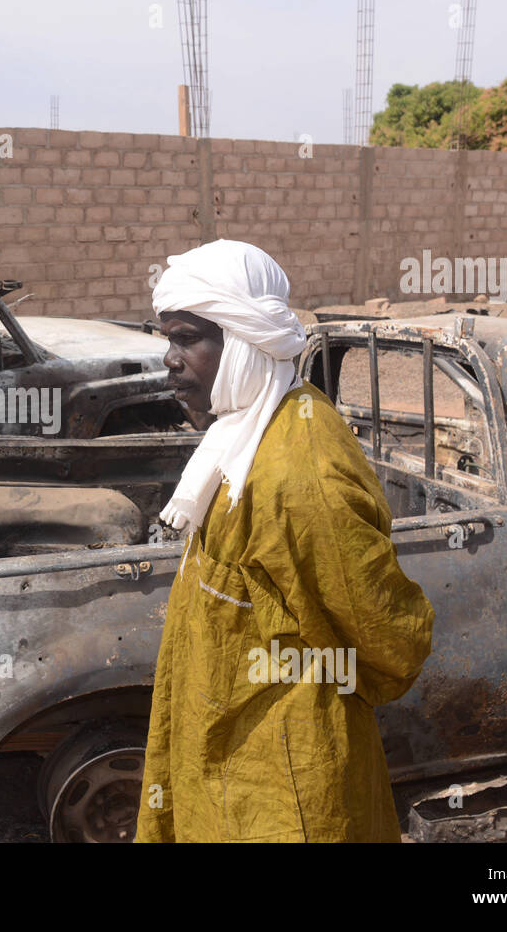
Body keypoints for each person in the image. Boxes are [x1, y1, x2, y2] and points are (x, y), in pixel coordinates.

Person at [134, 239, 435, 843]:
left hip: (282, 785)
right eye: (168, 338)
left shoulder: (299, 472)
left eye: (187, 338)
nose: (169, 358)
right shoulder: (242, 437)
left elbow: (388, 639)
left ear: (245, 340)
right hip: (224, 755)